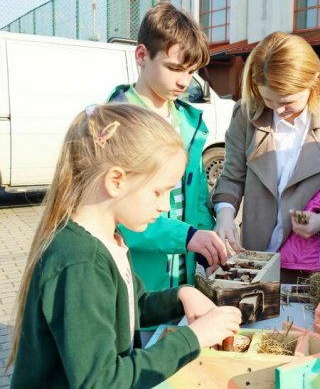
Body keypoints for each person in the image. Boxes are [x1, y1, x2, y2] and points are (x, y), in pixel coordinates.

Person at [8, 105, 242, 387]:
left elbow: (130, 306)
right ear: (116, 181)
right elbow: (102, 382)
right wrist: (193, 338)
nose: (165, 205)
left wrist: (182, 295)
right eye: (158, 191)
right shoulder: (81, 263)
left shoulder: (110, 238)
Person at [212, 31, 320, 279]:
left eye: (288, 101)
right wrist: (224, 216)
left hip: (318, 261)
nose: (278, 110)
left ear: (313, 81)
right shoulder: (246, 114)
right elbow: (232, 177)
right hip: (258, 253)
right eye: (269, 100)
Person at [107, 2, 236, 292]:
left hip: (183, 276)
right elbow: (118, 213)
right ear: (142, 55)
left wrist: (208, 241)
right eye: (174, 68)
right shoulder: (116, 122)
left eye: (191, 71)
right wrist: (188, 236)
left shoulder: (189, 123)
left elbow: (198, 196)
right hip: (136, 279)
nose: (183, 81)